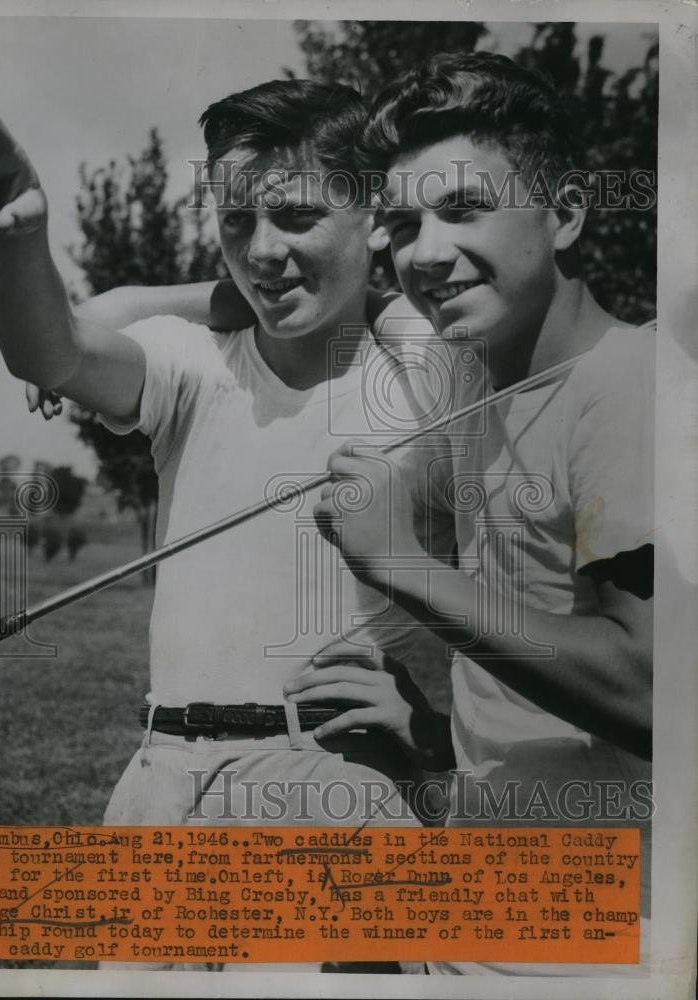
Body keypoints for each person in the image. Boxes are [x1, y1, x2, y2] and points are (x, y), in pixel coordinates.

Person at [0, 78, 450, 972]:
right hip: (160, 778)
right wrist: (15, 242)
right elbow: (51, 349)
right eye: (237, 222)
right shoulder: (196, 366)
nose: (263, 252)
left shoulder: (429, 372)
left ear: (375, 216)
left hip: (327, 781)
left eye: (293, 217)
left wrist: (433, 729)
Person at [290, 53, 654, 976]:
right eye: (403, 223)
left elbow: (653, 690)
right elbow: (346, 301)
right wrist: (435, 736)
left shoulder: (633, 386)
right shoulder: (480, 378)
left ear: (565, 212)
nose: (423, 252)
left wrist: (402, 564)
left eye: (462, 209)